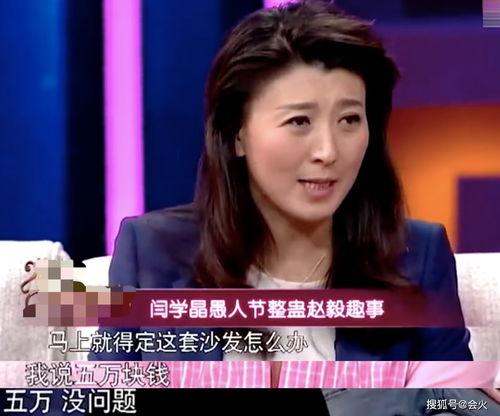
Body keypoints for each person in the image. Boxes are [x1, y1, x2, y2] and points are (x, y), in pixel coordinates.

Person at [89, 0, 472, 364]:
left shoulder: (418, 257)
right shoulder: (152, 253)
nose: (328, 151)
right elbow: (102, 396)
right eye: (299, 122)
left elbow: (457, 398)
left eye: (350, 120)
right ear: (237, 135)